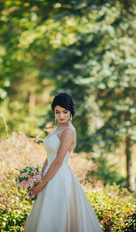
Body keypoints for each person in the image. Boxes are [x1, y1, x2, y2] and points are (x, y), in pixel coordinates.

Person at [24, 92, 102, 232]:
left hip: (59, 177)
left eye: (65, 112)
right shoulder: (58, 128)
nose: (61, 116)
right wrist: (38, 178)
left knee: (57, 216)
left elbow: (58, 161)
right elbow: (49, 158)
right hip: (49, 174)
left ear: (71, 112)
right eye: (57, 112)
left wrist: (41, 185)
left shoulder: (68, 131)